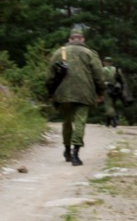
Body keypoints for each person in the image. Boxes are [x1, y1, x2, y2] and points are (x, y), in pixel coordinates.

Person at [45, 25, 106, 166]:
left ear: (70, 39)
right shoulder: (90, 54)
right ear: (82, 39)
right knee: (80, 121)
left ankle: (66, 150)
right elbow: (99, 76)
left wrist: (50, 92)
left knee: (67, 121)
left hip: (63, 93)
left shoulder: (58, 53)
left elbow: (49, 77)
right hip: (84, 93)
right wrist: (101, 92)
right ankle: (75, 153)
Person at [101, 57, 134, 127]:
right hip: (116, 89)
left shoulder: (103, 70)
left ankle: (115, 120)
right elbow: (122, 80)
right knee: (113, 105)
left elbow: (101, 81)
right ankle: (108, 123)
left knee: (108, 106)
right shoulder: (116, 70)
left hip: (108, 89)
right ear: (111, 62)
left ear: (104, 62)